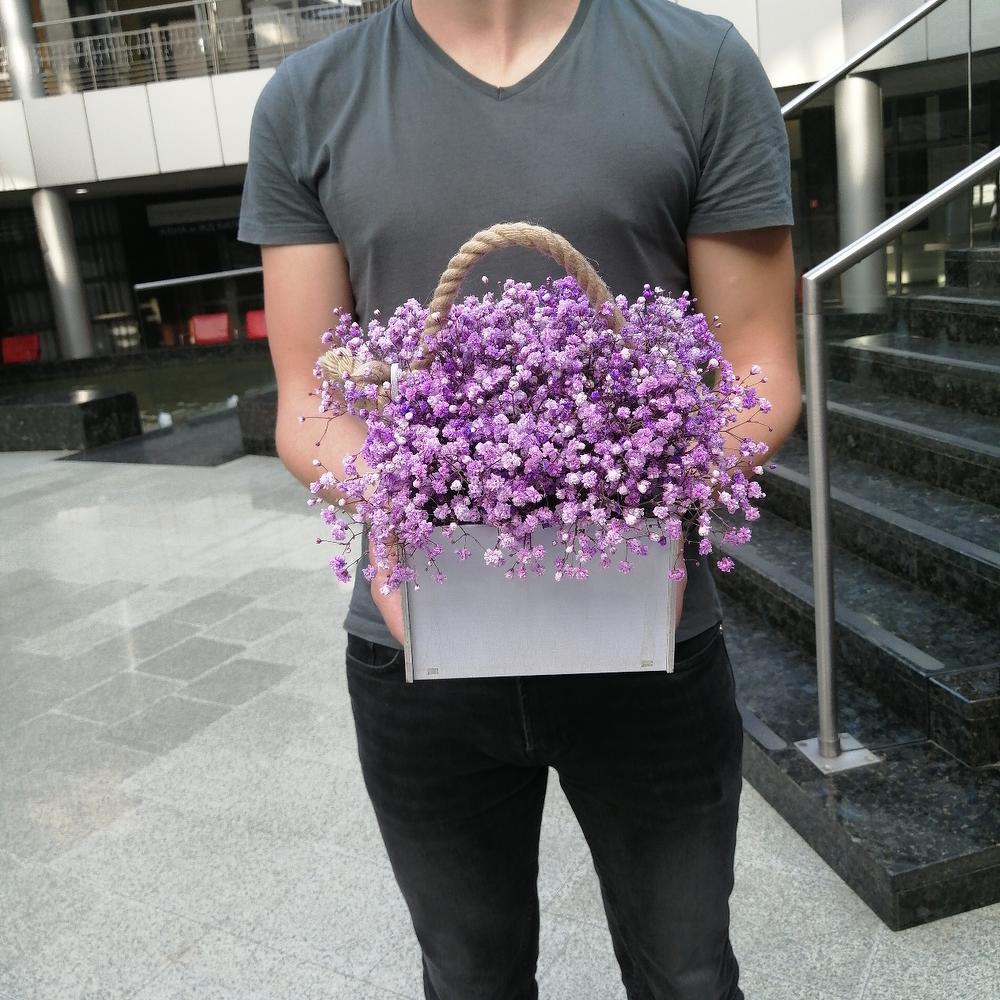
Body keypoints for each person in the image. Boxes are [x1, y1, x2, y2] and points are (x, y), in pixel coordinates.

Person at [238, 1, 801, 997]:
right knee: (470, 979)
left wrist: (642, 507)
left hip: (648, 639)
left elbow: (757, 367)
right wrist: (406, 512)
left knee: (687, 976)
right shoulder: (309, 99)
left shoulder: (698, 66)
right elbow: (308, 399)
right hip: (418, 646)